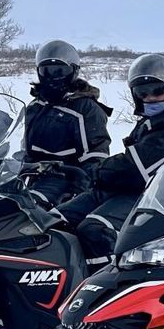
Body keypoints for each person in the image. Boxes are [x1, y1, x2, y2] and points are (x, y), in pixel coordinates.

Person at [55, 53, 164, 269]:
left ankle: (98, 284)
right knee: (55, 219)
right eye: (142, 92)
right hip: (125, 189)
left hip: (152, 194)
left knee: (96, 230)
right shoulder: (154, 120)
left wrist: (98, 171)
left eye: (157, 91)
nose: (149, 98)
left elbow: (136, 168)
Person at [22, 40, 113, 207]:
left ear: (73, 72)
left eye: (59, 71)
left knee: (28, 210)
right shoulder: (35, 106)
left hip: (66, 180)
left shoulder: (86, 108)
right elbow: (27, 149)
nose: (52, 76)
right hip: (32, 177)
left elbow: (95, 155)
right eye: (47, 70)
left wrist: (81, 186)